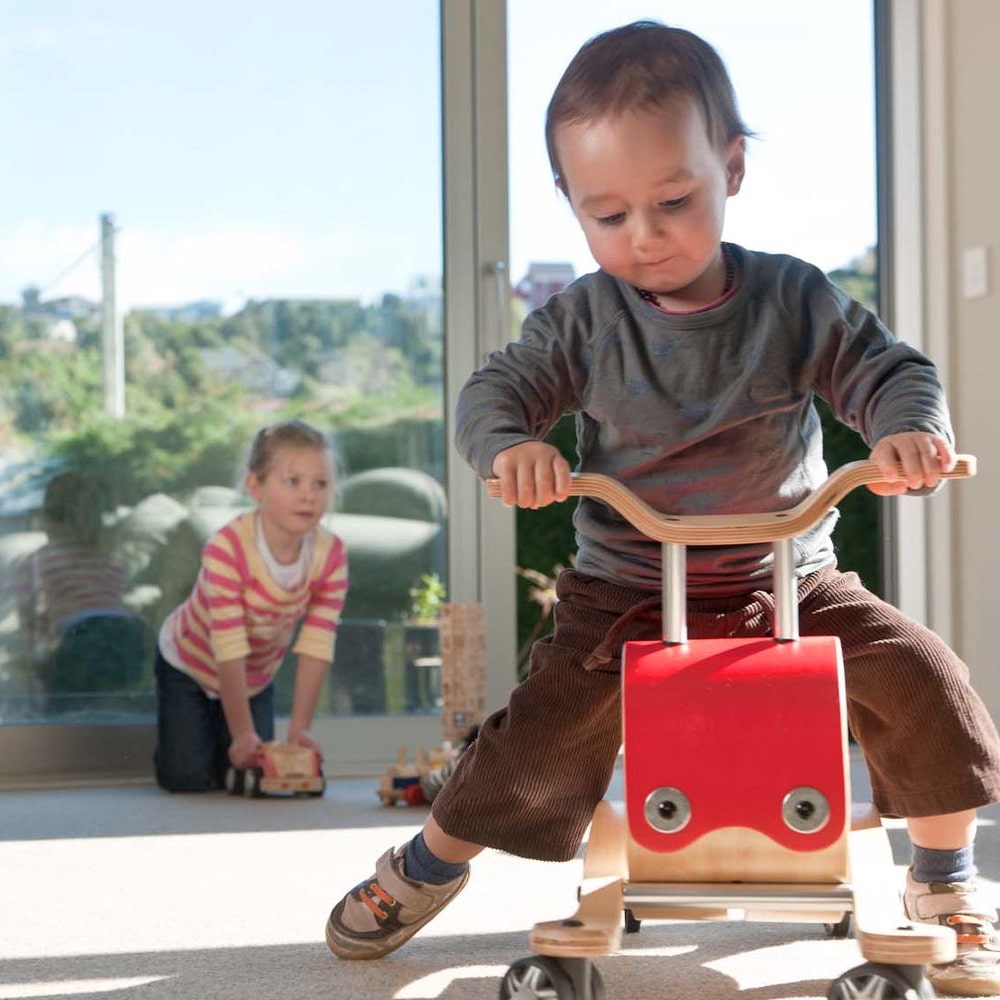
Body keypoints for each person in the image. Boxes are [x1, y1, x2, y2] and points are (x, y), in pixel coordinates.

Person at [325, 21, 1000, 995]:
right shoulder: (583, 321)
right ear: (570, 205)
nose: (642, 234)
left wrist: (905, 433)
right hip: (627, 584)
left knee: (922, 676)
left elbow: (889, 369)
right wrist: (511, 446)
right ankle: (429, 861)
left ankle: (944, 877)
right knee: (540, 728)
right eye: (606, 215)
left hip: (789, 577)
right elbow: (494, 392)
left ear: (730, 168)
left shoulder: (791, 299)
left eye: (673, 201)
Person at [154, 419, 348, 792]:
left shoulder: (331, 554)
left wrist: (299, 730)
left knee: (252, 768)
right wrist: (242, 733)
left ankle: (218, 733)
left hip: (254, 675)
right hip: (189, 661)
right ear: (255, 486)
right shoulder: (226, 548)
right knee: (187, 777)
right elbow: (227, 645)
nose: (309, 495)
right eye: (293, 482)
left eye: (320, 484)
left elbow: (316, 645)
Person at [16, 470, 146, 703]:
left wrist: (34, 662)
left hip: (79, 635)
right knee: (117, 700)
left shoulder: (39, 560)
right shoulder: (111, 559)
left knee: (67, 706)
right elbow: (118, 596)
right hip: (128, 632)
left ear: (48, 519)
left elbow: (30, 616)